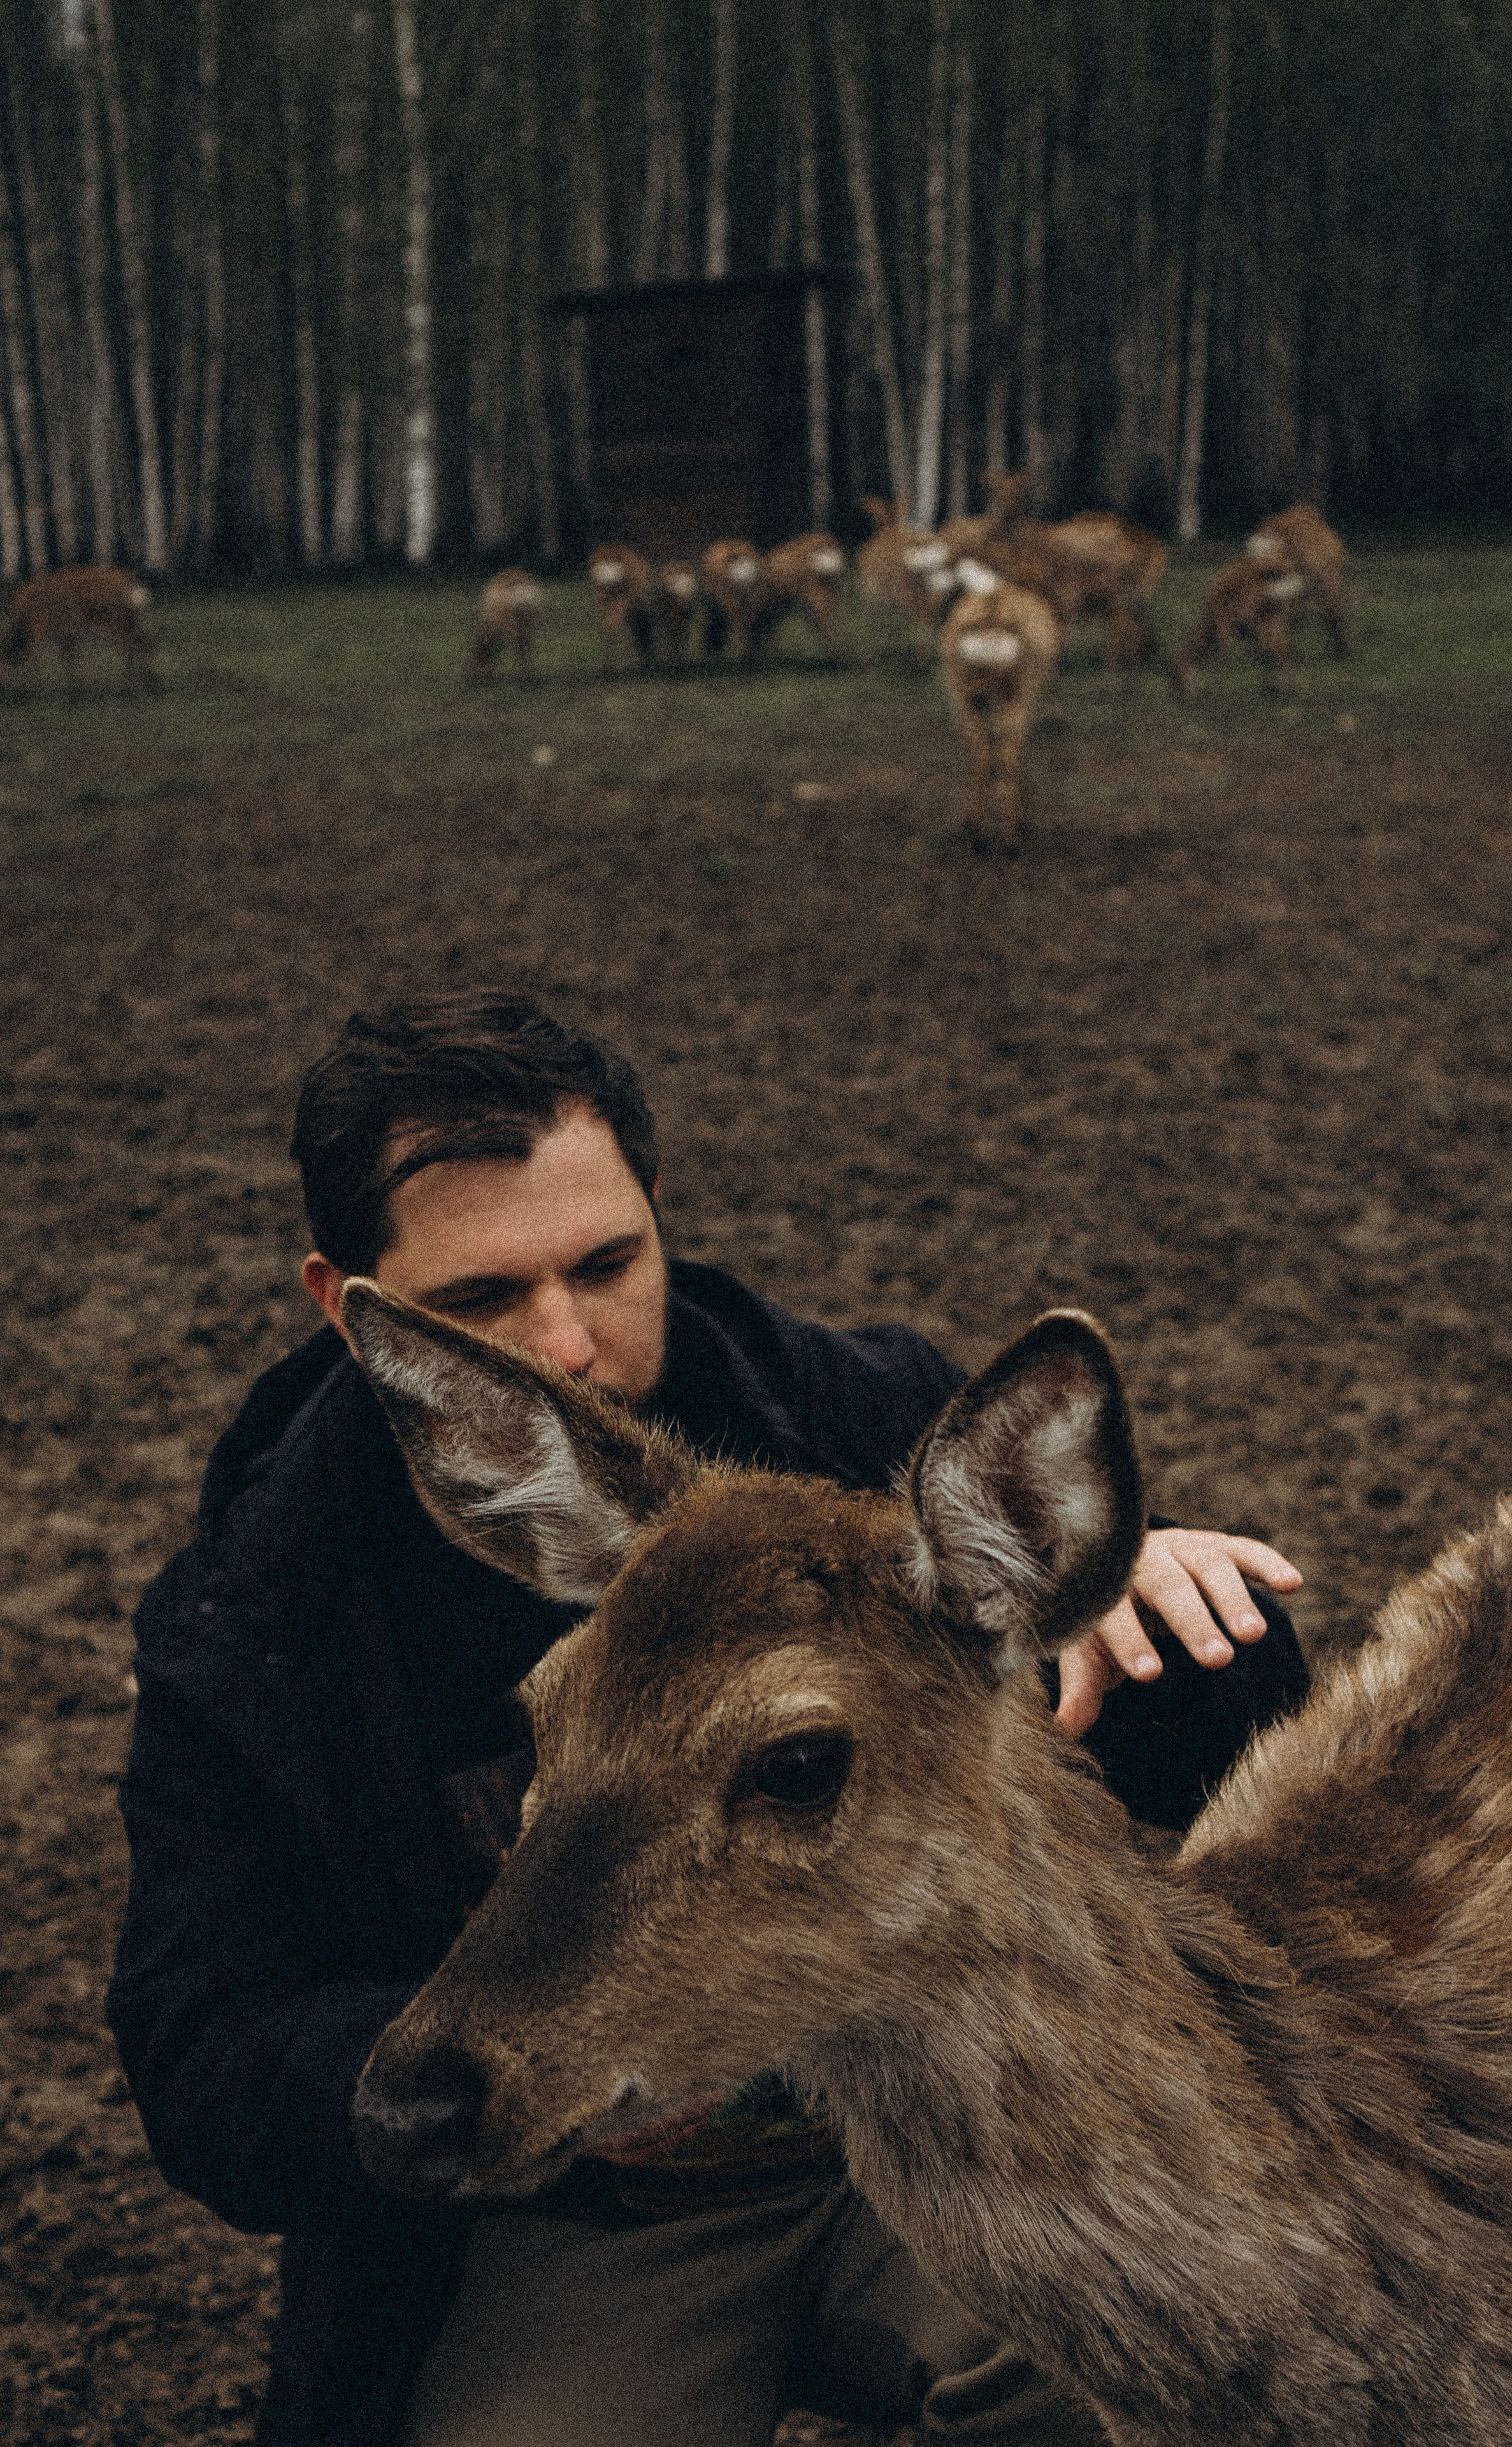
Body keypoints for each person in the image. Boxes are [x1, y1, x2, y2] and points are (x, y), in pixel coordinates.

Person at [108, 992, 1309, 2447]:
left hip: (930, 2132)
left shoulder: (862, 1423)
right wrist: (480, 2071)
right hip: (587, 2207)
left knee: (1162, 2369)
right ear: (348, 1308)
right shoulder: (258, 1628)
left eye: (606, 1263)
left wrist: (1157, 1598)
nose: (564, 1343)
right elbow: (203, 2045)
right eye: (483, 1301)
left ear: (658, 1213)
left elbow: (1219, 1745)